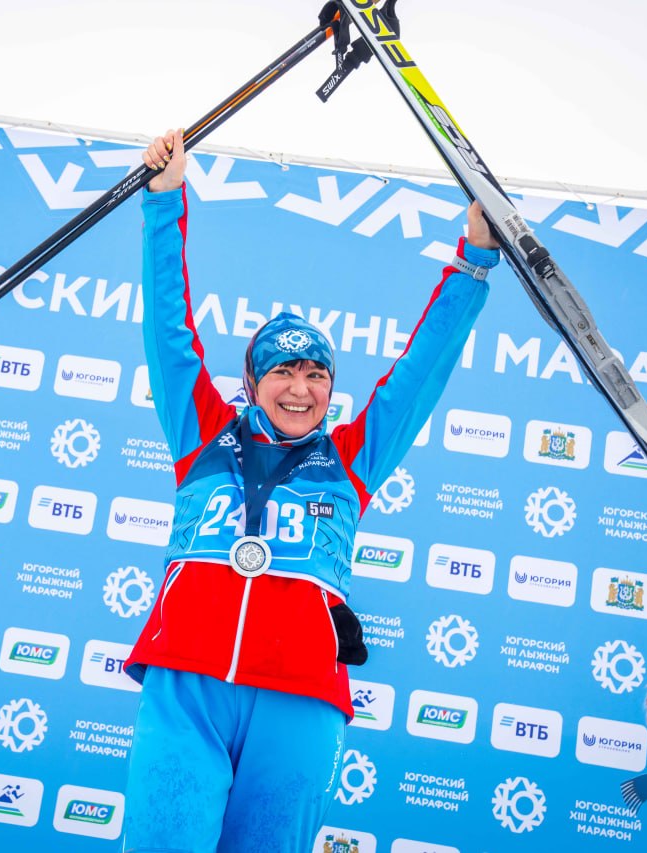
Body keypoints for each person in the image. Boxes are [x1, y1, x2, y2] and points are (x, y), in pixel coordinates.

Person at [121, 129, 500, 853]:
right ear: (252, 381)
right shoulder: (203, 435)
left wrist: (474, 260)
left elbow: (420, 371)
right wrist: (164, 201)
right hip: (187, 682)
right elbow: (168, 330)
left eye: (316, 374)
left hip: (298, 694)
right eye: (284, 372)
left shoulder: (351, 458)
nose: (301, 389)